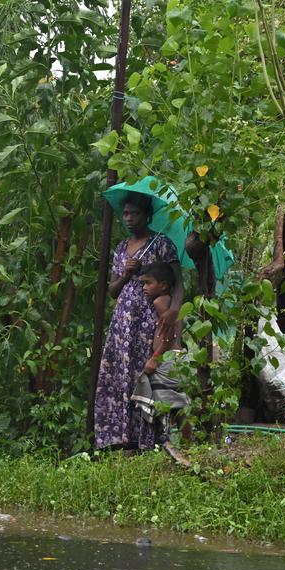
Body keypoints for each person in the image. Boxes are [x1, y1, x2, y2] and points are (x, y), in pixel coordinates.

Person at [93, 192, 184, 450]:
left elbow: (179, 284)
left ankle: (148, 437)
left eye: (135, 214)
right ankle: (121, 437)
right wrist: (126, 274)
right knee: (119, 374)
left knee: (143, 375)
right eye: (126, 214)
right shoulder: (121, 248)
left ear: (147, 216)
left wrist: (172, 311)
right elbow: (112, 291)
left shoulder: (162, 244)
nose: (129, 219)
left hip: (149, 321)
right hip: (123, 323)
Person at [130, 263, 190, 442]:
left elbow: (169, 333)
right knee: (180, 402)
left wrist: (155, 358)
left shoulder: (160, 302)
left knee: (166, 403)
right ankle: (188, 442)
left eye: (148, 283)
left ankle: (167, 442)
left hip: (168, 359)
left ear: (163, 285)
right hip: (178, 358)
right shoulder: (172, 303)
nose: (144, 287)